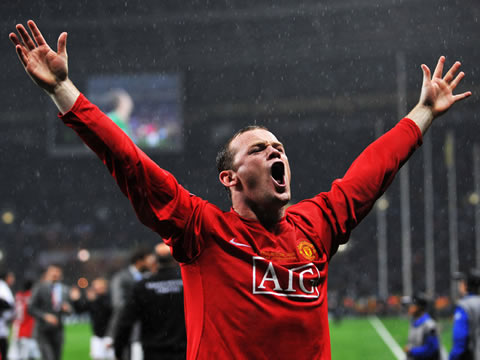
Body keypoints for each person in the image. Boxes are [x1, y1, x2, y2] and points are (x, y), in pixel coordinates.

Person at [9, 20, 472, 360]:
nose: (276, 152)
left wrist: (423, 114)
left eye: (279, 146)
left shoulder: (316, 224)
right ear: (230, 178)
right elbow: (130, 163)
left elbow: (371, 173)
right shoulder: (201, 231)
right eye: (259, 148)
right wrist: (64, 92)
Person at [114, 243, 186, 360]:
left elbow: (126, 321)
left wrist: (118, 350)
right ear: (174, 259)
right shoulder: (187, 284)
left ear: (155, 261)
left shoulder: (142, 286)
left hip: (153, 351)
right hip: (183, 350)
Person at [108, 247, 156, 360]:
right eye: (149, 259)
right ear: (140, 261)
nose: (152, 262)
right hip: (129, 331)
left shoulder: (151, 277)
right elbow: (118, 304)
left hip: (149, 333)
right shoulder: (121, 278)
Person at [27, 264, 71, 360]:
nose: (55, 274)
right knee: (48, 357)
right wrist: (45, 316)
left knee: (56, 357)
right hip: (43, 331)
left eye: (57, 272)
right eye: (53, 271)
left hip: (58, 331)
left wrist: (67, 309)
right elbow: (30, 308)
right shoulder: (39, 287)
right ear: (48, 273)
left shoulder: (64, 289)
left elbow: (70, 311)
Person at [70, 277, 114, 360]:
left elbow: (106, 310)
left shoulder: (109, 298)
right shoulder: (94, 300)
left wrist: (94, 300)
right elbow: (80, 310)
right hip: (97, 335)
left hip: (109, 335)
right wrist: (76, 300)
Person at [7, 279, 41, 360]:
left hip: (16, 329)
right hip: (29, 330)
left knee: (15, 355)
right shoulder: (31, 296)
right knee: (30, 356)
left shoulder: (18, 296)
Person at [450, 269, 480, 360]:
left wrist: (452, 357)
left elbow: (460, 340)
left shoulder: (464, 305)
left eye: (462, 282)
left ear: (466, 285)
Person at [404, 293, 440, 360]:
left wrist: (412, 351)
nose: (409, 307)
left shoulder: (429, 325)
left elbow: (432, 349)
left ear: (419, 307)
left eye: (412, 305)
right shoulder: (414, 322)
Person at [0, 270, 15, 360]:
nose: (13, 279)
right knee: (3, 350)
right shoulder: (2, 287)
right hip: (1, 325)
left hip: (3, 325)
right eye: (11, 277)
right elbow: (6, 305)